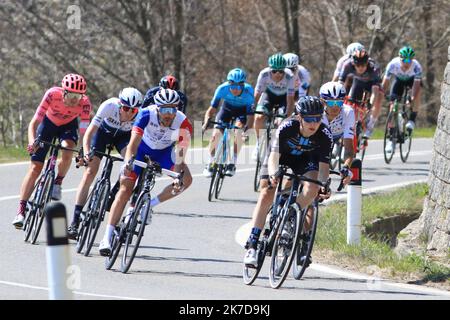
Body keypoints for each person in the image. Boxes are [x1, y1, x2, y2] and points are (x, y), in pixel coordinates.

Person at [98, 89, 193, 256]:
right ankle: (107, 236)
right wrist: (128, 161)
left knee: (187, 180)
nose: (168, 114)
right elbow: (133, 144)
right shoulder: (145, 114)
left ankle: (150, 204)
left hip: (164, 153)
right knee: (125, 189)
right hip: (141, 150)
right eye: (164, 110)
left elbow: (180, 155)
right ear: (157, 108)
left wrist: (177, 177)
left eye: (172, 109)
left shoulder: (183, 123)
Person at [243, 96, 333, 267]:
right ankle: (253, 244)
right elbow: (273, 158)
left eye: (318, 118)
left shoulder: (325, 135)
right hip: (281, 157)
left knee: (312, 188)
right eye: (308, 119)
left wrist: (324, 185)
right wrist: (273, 174)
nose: (313, 123)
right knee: (266, 192)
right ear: (299, 117)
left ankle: (291, 214)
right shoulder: (287, 126)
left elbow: (323, 168)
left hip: (305, 161)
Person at [12, 74, 91, 229]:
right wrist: (31, 142)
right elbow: (34, 123)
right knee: (35, 168)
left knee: (68, 149)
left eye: (79, 95)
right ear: (64, 92)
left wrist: (81, 151)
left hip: (68, 126)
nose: (76, 99)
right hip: (48, 124)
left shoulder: (85, 103)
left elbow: (84, 130)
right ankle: (21, 210)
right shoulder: (52, 94)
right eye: (72, 95)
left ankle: (58, 181)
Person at [67, 87, 143, 240]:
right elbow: (89, 132)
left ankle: (114, 192)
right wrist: (87, 152)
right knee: (89, 172)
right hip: (102, 135)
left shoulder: (140, 115)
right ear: (120, 105)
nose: (129, 113)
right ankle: (75, 222)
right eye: (126, 108)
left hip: (123, 138)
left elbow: (137, 144)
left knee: (131, 166)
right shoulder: (109, 106)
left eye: (133, 111)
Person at [202, 68, 255, 177]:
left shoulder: (249, 92)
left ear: (243, 85)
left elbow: (250, 116)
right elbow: (211, 109)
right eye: (232, 86)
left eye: (238, 86)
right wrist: (206, 122)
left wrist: (247, 131)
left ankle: (232, 163)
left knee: (238, 133)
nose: (235, 89)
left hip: (242, 112)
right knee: (216, 135)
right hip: (226, 110)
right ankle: (210, 162)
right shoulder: (222, 88)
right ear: (229, 84)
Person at [253, 53, 295, 159]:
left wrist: (287, 116)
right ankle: (258, 143)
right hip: (268, 97)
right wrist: (254, 107)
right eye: (274, 71)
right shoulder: (263, 74)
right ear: (269, 69)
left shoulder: (290, 76)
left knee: (281, 122)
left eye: (281, 71)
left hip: (283, 99)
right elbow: (257, 95)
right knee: (259, 117)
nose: (277, 74)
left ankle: (277, 144)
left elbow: (290, 100)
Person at [382, 46, 422, 154]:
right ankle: (391, 139)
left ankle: (412, 120)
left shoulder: (416, 66)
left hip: (412, 81)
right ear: (400, 58)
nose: (406, 62)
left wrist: (412, 98)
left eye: (409, 60)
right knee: (392, 107)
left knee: (417, 94)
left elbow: (417, 85)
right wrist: (382, 93)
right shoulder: (392, 64)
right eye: (404, 59)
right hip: (398, 81)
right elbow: (385, 82)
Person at [339, 48, 384, 138]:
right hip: (358, 82)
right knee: (351, 102)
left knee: (379, 97)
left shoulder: (374, 68)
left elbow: (375, 91)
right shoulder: (347, 65)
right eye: (357, 65)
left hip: (372, 84)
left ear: (367, 63)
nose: (360, 67)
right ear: (353, 63)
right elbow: (340, 84)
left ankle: (370, 125)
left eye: (363, 65)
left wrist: (371, 104)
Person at [320, 81, 355, 183]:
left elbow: (348, 148)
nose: (335, 106)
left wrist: (346, 166)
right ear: (323, 101)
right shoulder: (317, 111)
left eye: (339, 102)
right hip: (316, 140)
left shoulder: (348, 112)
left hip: (335, 138)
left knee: (323, 179)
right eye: (331, 102)